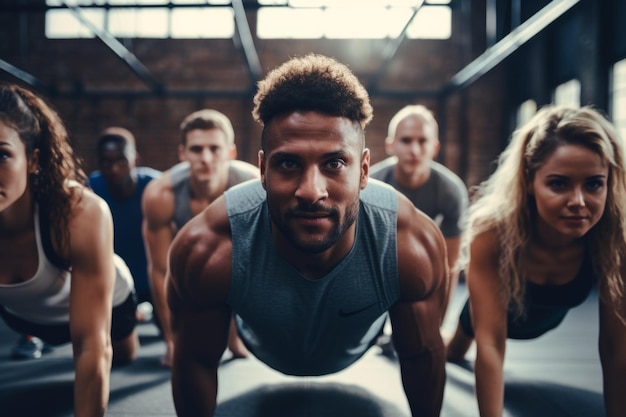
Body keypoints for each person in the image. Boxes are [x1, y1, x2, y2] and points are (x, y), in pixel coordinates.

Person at [167, 54, 449, 417]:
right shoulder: (210, 244)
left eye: (334, 163)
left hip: (356, 343)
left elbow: (422, 355)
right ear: (263, 171)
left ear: (364, 171)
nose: (311, 191)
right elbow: (194, 361)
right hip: (261, 343)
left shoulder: (409, 241)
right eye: (288, 163)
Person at [445, 105, 626, 416]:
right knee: (447, 353)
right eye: (558, 184)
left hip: (547, 318)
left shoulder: (614, 238)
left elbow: (615, 347)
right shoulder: (492, 232)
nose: (578, 202)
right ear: (529, 180)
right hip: (487, 316)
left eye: (594, 184)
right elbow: (490, 344)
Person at [0, 83, 139, 417]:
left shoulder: (78, 212)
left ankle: (134, 324)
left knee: (125, 355)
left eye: (1, 154)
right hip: (27, 317)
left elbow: (93, 344)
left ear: (33, 160)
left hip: (113, 302)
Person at [142, 108, 258, 367]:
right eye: (196, 149)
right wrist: (171, 341)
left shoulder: (252, 186)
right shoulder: (161, 194)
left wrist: (237, 331)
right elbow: (160, 270)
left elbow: (253, 263)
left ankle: (235, 336)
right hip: (187, 261)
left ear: (231, 152)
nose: (205, 158)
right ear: (182, 153)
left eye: (215, 149)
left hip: (233, 257)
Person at [370, 104, 468, 339]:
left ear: (434, 147)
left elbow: (450, 264)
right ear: (390, 145)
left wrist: (437, 324)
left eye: (422, 141)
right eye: (406, 140)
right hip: (382, 256)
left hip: (424, 258)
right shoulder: (372, 184)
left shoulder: (450, 190)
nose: (414, 149)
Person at [88, 127, 161, 320]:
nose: (114, 169)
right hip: (114, 286)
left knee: (179, 341)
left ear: (134, 160)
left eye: (121, 161)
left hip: (155, 283)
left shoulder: (156, 187)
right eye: (106, 162)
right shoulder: (90, 191)